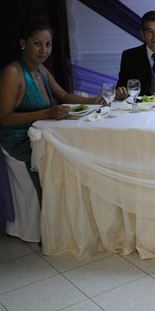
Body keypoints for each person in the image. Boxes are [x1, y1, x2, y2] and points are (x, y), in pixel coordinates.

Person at [0, 21, 102, 197]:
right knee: (71, 156)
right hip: (20, 139)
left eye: (48, 44)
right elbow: (4, 119)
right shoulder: (13, 73)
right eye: (37, 44)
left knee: (80, 147)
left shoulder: (40, 69)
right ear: (23, 44)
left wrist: (93, 100)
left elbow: (63, 96)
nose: (44, 50)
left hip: (44, 132)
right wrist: (47, 113)